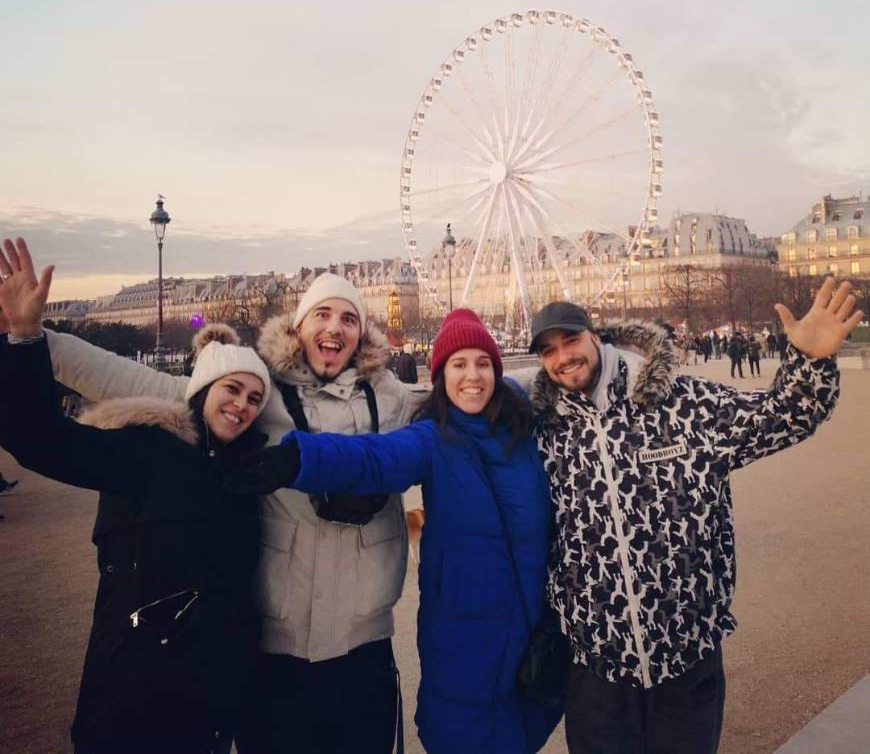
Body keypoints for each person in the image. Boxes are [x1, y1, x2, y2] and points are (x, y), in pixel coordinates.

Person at [34, 268, 429, 754]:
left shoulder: (392, 399)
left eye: (348, 318)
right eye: (321, 314)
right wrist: (36, 338)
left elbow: (470, 394)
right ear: (298, 327)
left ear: (361, 333)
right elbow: (137, 380)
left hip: (364, 643)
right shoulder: (257, 392)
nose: (334, 327)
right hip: (274, 648)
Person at [510, 282, 858, 754]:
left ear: (596, 337)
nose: (562, 357)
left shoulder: (681, 403)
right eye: (548, 351)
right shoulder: (542, 431)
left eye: (570, 341)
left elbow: (783, 417)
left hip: (685, 651)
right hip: (596, 664)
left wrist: (810, 360)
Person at [229, 309, 562, 754]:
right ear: (440, 375)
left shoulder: (529, 429)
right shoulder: (432, 438)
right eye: (458, 365)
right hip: (464, 636)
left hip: (531, 633)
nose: (473, 376)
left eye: (483, 364)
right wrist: (298, 460)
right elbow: (373, 458)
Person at [0, 238, 272, 754]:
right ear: (200, 392)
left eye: (254, 398)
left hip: (207, 710)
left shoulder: (248, 477)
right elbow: (38, 439)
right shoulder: (146, 449)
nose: (241, 405)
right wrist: (25, 338)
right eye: (230, 390)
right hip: (131, 700)